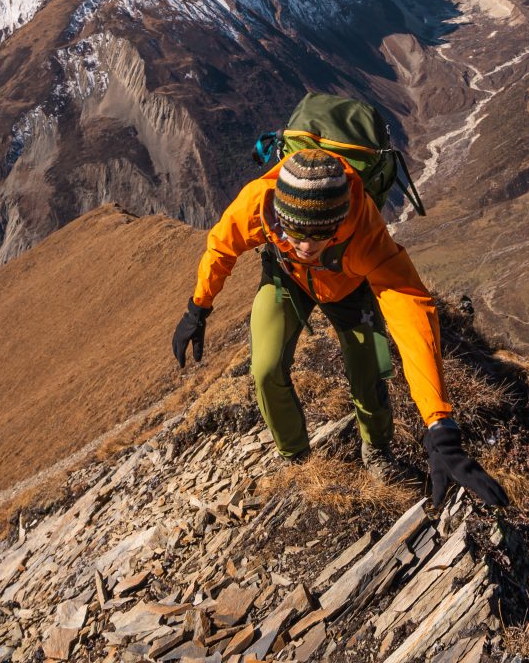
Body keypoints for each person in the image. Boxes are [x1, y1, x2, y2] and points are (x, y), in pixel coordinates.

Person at [171, 147, 508, 509]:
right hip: (285, 280)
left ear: (338, 224)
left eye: (317, 238)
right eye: (293, 232)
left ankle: (377, 452)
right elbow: (221, 246)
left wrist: (440, 425)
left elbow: (412, 312)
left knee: (373, 369)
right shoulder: (258, 203)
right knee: (265, 368)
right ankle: (297, 459)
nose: (303, 247)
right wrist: (198, 308)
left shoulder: (365, 233)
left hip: (350, 287)